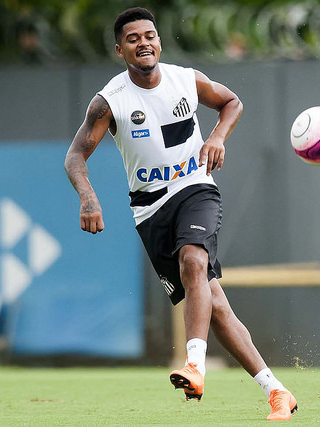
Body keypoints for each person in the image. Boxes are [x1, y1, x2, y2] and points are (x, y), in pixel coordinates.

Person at [64, 7, 297, 421]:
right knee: (217, 306)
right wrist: (88, 198)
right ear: (121, 50)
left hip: (195, 189)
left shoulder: (184, 79)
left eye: (149, 35)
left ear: (159, 41)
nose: (144, 43)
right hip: (149, 210)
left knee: (194, 258)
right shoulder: (110, 102)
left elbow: (231, 102)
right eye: (133, 38)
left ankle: (194, 365)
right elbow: (75, 157)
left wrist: (218, 137)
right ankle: (277, 392)